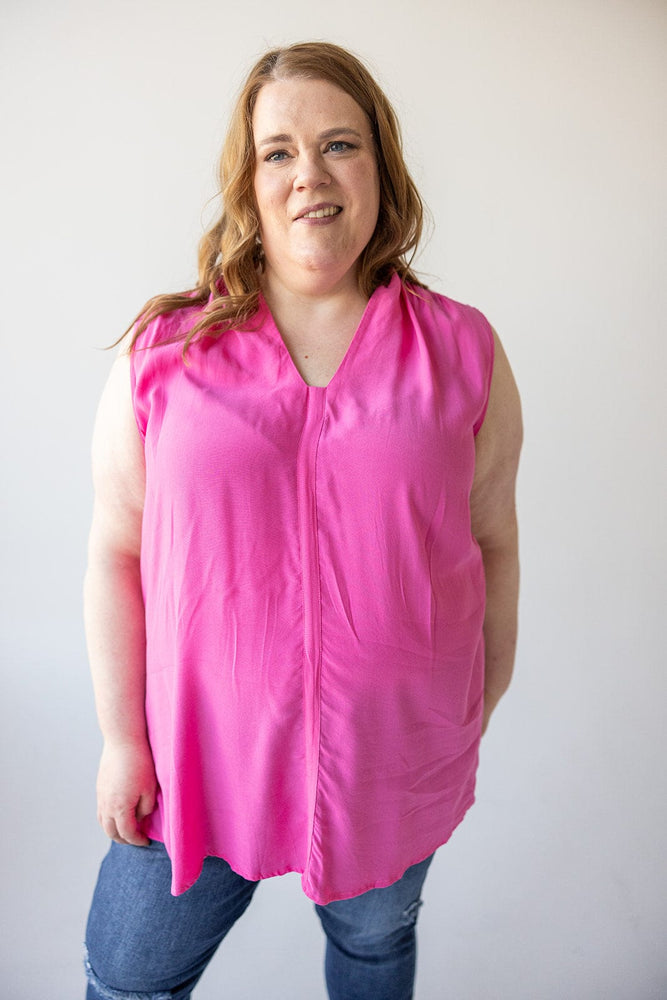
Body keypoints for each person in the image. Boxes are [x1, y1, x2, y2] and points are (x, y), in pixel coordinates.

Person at [83, 40, 522, 1000]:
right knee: (128, 976)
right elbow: (116, 549)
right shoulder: (164, 353)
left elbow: (491, 537)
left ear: (381, 165)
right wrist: (123, 739)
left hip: (392, 765)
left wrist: (471, 706)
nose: (309, 175)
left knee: (371, 950)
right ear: (247, 179)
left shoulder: (462, 350)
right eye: (278, 151)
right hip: (193, 766)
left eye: (339, 144)